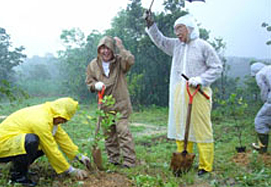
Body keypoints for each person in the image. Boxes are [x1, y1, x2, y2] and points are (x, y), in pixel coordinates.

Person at [143, 12, 223, 176]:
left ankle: (205, 166)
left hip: (199, 93)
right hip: (179, 93)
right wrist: (151, 25)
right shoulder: (176, 46)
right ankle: (183, 162)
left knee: (201, 128)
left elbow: (217, 68)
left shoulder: (203, 46)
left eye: (180, 29)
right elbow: (161, 40)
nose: (177, 33)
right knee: (181, 127)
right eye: (175, 30)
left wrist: (201, 79)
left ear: (190, 28)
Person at [0, 97, 90, 186]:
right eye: (64, 119)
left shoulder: (50, 115)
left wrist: (79, 156)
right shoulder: (41, 121)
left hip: (13, 143)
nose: (63, 122)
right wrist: (70, 170)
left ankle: (21, 168)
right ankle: (17, 177)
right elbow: (51, 149)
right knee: (32, 142)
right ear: (60, 113)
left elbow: (63, 138)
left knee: (37, 144)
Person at [85, 36, 136, 168]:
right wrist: (95, 85)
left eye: (108, 48)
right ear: (98, 50)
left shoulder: (120, 61)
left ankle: (129, 162)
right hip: (105, 105)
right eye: (102, 48)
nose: (105, 51)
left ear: (112, 50)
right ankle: (114, 159)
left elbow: (130, 60)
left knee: (123, 131)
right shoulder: (93, 65)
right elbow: (89, 82)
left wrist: (121, 47)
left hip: (121, 104)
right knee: (109, 135)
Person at [250, 62, 271, 153]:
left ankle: (262, 148)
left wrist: (265, 101)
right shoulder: (268, 69)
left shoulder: (260, 74)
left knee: (260, 120)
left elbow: (264, 90)